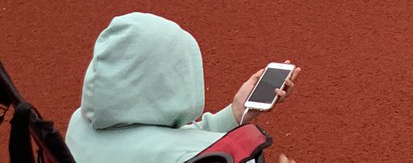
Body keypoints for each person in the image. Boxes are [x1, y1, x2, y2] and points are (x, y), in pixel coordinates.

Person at [66, 12, 300, 163]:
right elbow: (183, 148)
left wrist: (235, 113)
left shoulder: (79, 126)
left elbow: (164, 140)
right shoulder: (202, 158)